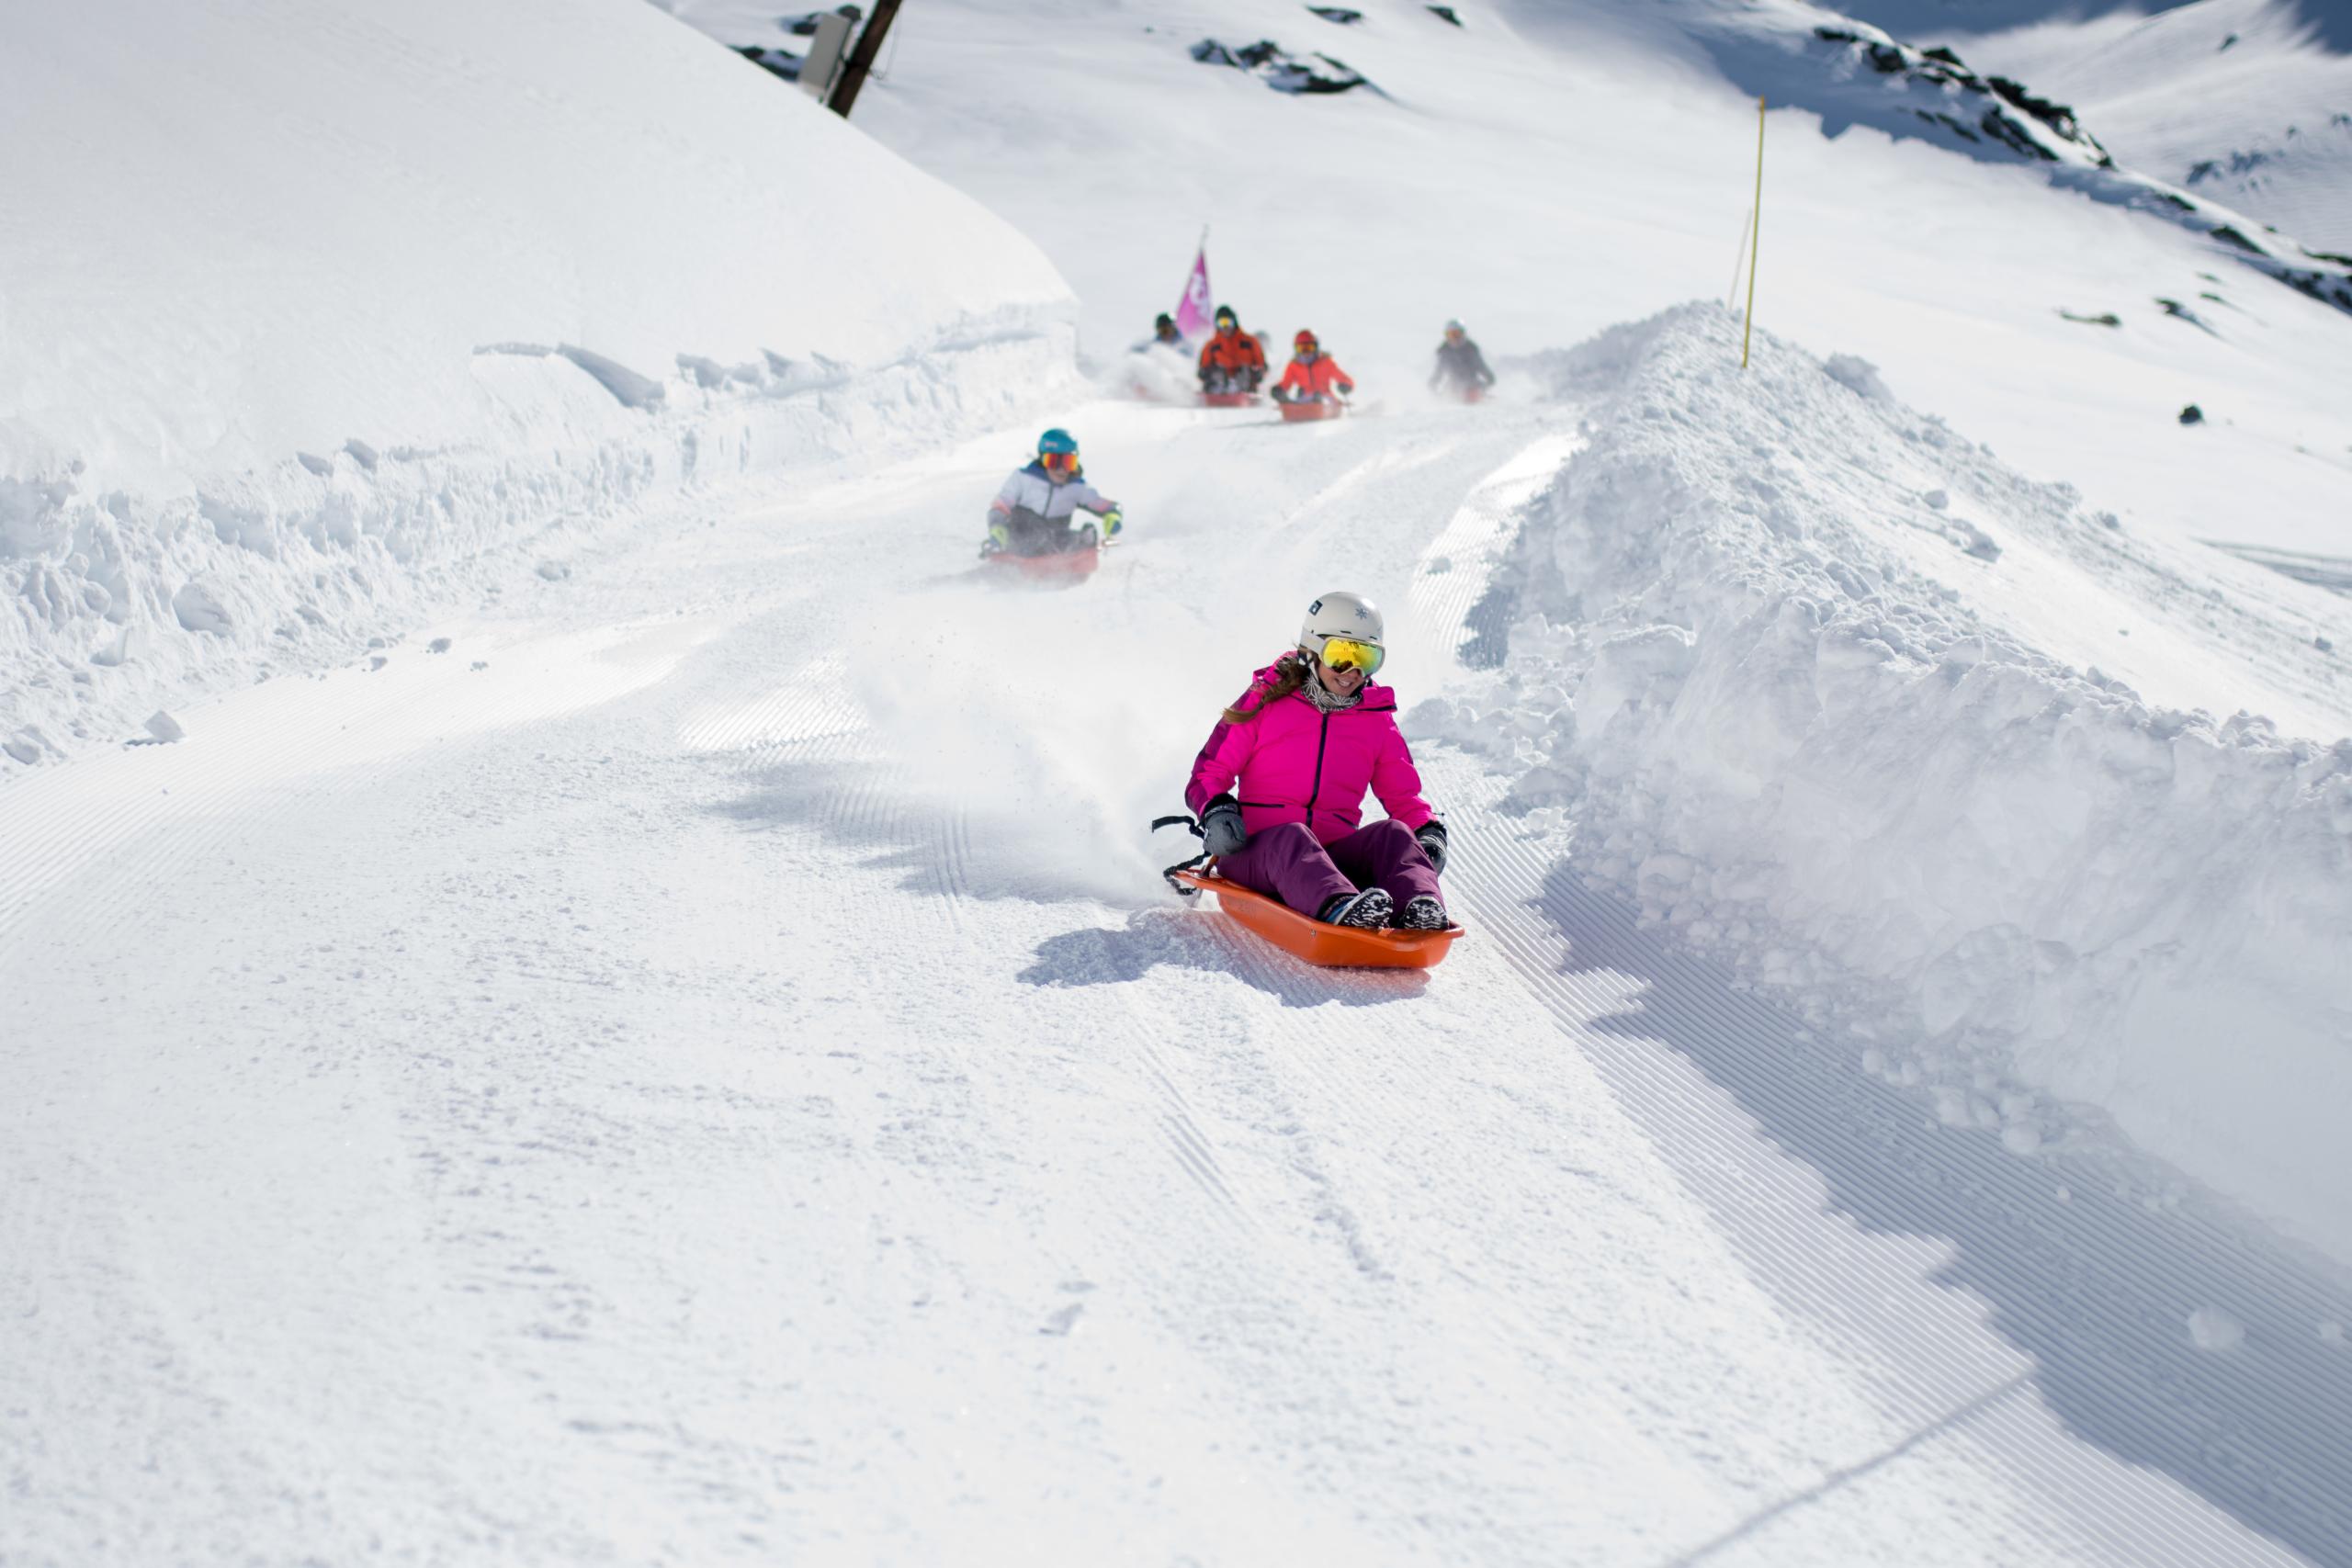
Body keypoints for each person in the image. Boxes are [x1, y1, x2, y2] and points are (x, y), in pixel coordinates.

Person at [1183, 592, 1450, 930]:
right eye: (1341, 655)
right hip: (1258, 853)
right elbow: (1209, 771)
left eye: (1366, 658)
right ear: (1312, 650)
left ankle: (1418, 908)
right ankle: (1338, 907)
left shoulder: (1374, 720)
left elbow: (1404, 796)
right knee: (1292, 837)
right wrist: (1217, 810)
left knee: (1394, 834)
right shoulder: (1265, 700)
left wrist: (1427, 832)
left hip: (1331, 859)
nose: (1352, 672)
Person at [984, 428, 1124, 558]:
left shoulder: (1077, 487)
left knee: (1065, 537)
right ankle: (998, 547)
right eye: (1053, 462)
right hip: (1019, 536)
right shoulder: (1023, 478)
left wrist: (1113, 516)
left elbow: (1109, 506)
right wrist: (997, 527)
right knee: (1033, 530)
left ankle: (1081, 545)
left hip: (1053, 541)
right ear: (1042, 459)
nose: (1061, 469)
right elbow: (1000, 506)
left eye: (1069, 462)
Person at [1196, 304, 1268, 396]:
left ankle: (1239, 390)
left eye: (1228, 322)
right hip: (1219, 382)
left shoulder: (1249, 342)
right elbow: (1203, 367)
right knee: (1217, 371)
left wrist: (1259, 372)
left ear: (1234, 322)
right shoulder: (1212, 346)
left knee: (1244, 370)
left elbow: (1261, 364)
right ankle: (1217, 390)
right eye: (1222, 323)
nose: (1225, 327)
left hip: (1244, 381)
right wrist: (1204, 372)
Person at [1273, 329, 1354, 405]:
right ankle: (1296, 409)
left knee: (1319, 397)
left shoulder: (1326, 362)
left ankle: (1318, 404)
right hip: (1304, 399)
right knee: (1303, 399)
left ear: (1316, 347)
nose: (1305, 353)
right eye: (1301, 349)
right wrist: (1279, 390)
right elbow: (1286, 382)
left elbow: (1343, 378)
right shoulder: (1293, 365)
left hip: (1326, 398)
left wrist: (1346, 385)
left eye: (1309, 348)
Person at [1430, 318, 1495, 396]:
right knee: (1448, 393)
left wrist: (1488, 380)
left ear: (1463, 334)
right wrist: (1433, 383)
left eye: (1457, 335)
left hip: (1472, 385)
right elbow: (1439, 371)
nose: (1454, 339)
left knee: (1472, 393)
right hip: (1454, 386)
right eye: (1451, 335)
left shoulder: (1471, 350)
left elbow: (1481, 367)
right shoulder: (1445, 352)